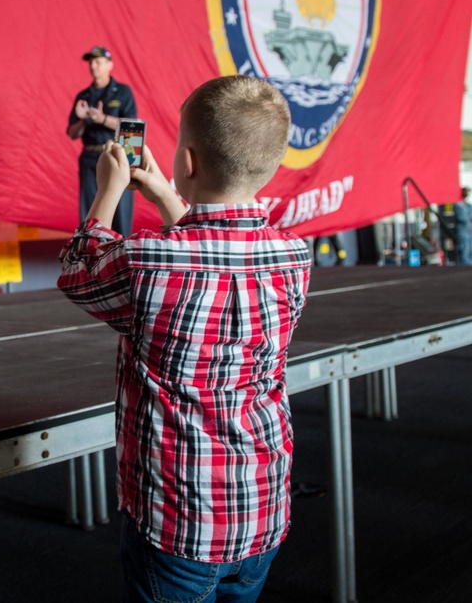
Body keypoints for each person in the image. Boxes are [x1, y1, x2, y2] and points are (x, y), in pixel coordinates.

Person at [58, 75, 312, 602]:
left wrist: (110, 189)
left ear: (188, 162)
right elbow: (213, 251)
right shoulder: (293, 258)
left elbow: (80, 271)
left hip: (178, 525)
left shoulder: (146, 260)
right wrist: (164, 194)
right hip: (261, 511)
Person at [67, 45, 138, 235]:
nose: (93, 66)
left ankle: (122, 258)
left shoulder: (123, 92)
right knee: (90, 214)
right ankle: (90, 258)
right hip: (90, 157)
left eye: (98, 62)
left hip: (117, 158)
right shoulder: (83, 96)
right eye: (91, 62)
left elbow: (133, 127)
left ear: (110, 65)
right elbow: (72, 133)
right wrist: (83, 118)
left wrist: (103, 119)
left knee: (120, 213)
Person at [454, 187, 471, 265]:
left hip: (468, 232)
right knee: (463, 251)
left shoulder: (468, 205)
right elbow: (463, 218)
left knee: (468, 250)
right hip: (462, 232)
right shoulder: (458, 205)